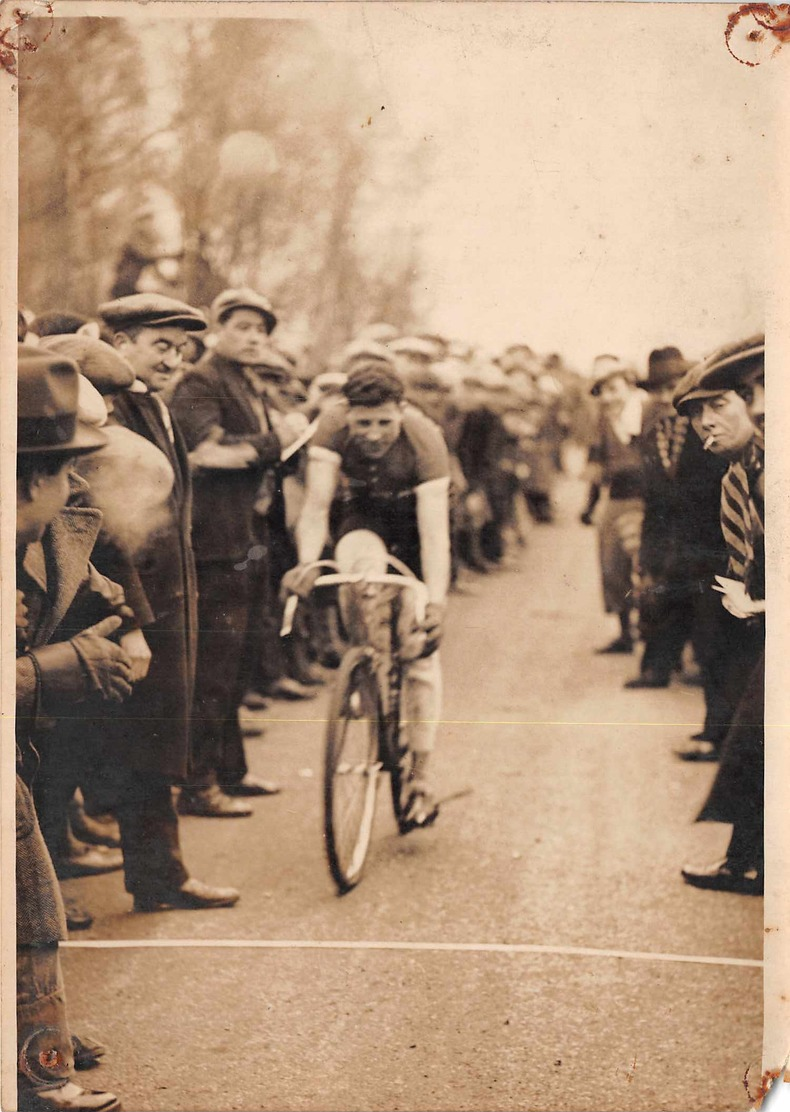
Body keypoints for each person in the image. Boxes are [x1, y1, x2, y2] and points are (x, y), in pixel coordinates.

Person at [95, 295, 242, 904]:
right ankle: (154, 878)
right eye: (160, 344)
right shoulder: (107, 411)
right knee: (124, 747)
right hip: (135, 607)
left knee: (153, 743)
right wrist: (130, 622)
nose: (173, 359)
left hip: (168, 601)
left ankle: (159, 877)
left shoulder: (149, 404)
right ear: (119, 343)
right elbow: (105, 531)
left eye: (179, 348)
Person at [16, 347, 129, 1112]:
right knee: (29, 902)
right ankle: (36, 1079)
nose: (77, 484)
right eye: (63, 469)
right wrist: (54, 669)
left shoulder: (33, 535)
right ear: (25, 475)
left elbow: (85, 590)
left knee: (32, 896)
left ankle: (36, 1054)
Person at [284, 362, 451, 825]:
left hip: (416, 526)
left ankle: (420, 774)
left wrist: (435, 603)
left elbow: (435, 535)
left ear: (401, 411)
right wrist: (307, 563)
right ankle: (367, 664)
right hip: (363, 518)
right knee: (359, 575)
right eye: (363, 423)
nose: (374, 434)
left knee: (420, 654)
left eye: (384, 422)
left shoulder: (425, 440)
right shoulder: (331, 426)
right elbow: (316, 509)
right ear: (347, 413)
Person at [169, 287, 302, 816]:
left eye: (261, 329)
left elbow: (255, 452)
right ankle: (198, 785)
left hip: (247, 537)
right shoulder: (200, 382)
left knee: (239, 659)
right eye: (242, 326)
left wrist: (283, 448)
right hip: (214, 543)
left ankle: (230, 771)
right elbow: (205, 455)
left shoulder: (246, 381)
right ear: (217, 329)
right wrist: (276, 445)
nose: (253, 337)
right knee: (215, 666)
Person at [673, 336, 765, 894]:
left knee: (756, 735)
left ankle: (747, 862)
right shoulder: (742, 470)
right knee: (753, 735)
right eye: (695, 414)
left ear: (755, 400)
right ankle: (747, 861)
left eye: (719, 406)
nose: (705, 423)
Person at [624, 348, 730, 715]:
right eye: (660, 389)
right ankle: (656, 668)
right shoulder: (652, 433)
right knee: (661, 599)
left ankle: (703, 670)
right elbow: (653, 495)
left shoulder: (706, 429)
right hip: (668, 534)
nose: (668, 397)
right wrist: (649, 546)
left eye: (675, 387)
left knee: (705, 609)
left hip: (705, 536)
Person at [582, 355, 648, 653]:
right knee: (612, 566)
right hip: (618, 499)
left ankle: (654, 635)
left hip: (648, 501)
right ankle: (625, 633)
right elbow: (597, 464)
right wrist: (590, 503)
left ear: (629, 386)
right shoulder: (605, 420)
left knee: (647, 569)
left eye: (613, 389)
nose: (608, 397)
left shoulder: (646, 413)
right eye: (602, 391)